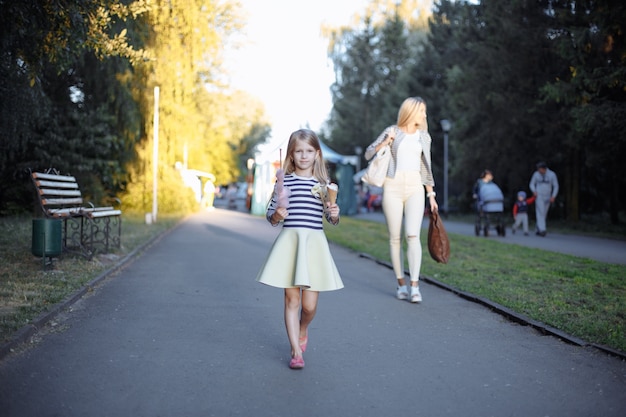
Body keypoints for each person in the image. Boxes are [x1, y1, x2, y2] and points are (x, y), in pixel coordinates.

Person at [256, 128, 343, 370]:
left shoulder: (323, 184)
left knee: (309, 306)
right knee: (292, 299)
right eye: (298, 152)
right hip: (291, 244)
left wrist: (334, 214)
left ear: (316, 154)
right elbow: (271, 216)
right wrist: (277, 215)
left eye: (308, 151)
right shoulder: (284, 182)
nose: (303, 156)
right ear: (291, 155)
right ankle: (295, 351)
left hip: (314, 245)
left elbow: (331, 218)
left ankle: (303, 328)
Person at [364, 97, 438, 303]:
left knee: (413, 235)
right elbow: (368, 153)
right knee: (395, 238)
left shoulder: (424, 136)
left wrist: (431, 194)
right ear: (411, 111)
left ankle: (415, 286)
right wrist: (386, 142)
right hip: (392, 186)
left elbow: (426, 167)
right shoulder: (393, 131)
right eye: (422, 111)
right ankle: (401, 283)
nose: (424, 115)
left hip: (415, 187)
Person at [529, 162, 559, 236]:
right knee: (540, 212)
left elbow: (556, 186)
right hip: (539, 196)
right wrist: (534, 191)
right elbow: (531, 184)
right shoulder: (536, 174)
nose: (539, 171)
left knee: (544, 213)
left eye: (540, 169)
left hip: (548, 196)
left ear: (544, 169)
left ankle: (538, 228)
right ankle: (543, 230)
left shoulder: (552, 174)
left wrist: (553, 196)